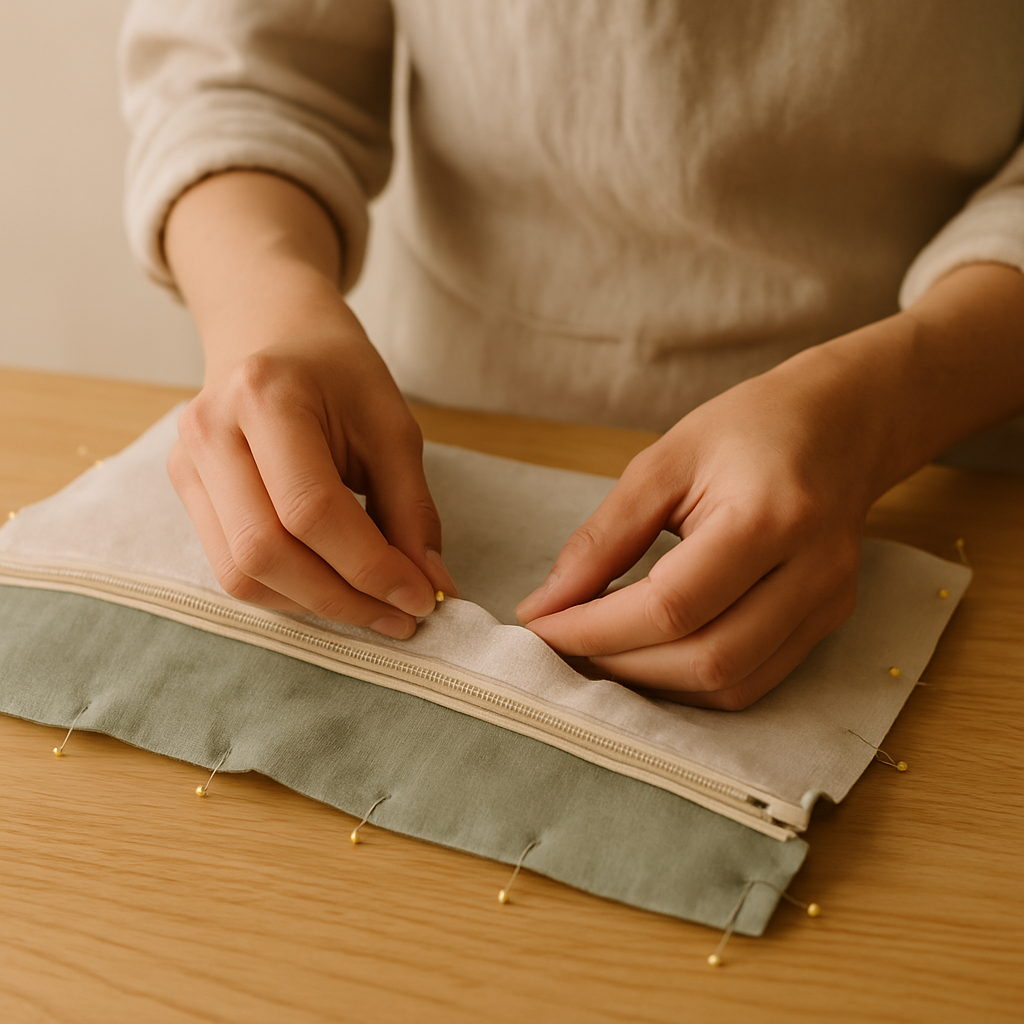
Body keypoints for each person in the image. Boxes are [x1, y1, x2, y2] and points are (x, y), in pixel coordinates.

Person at [120, 1, 1024, 709]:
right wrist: (267, 310)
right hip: (449, 433)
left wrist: (882, 411)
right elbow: (237, 74)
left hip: (947, 466)